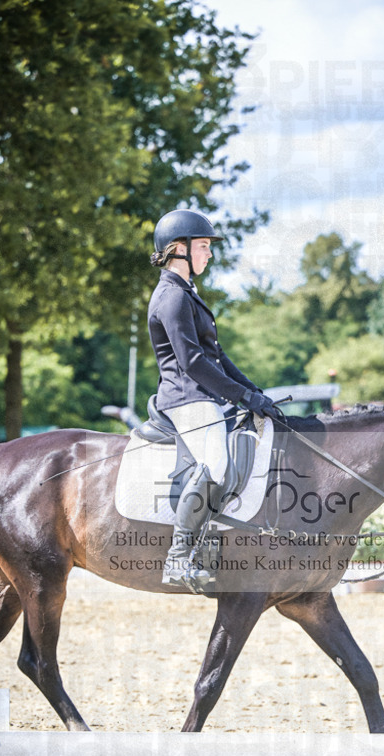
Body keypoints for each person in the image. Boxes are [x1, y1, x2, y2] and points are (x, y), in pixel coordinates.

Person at [147, 208, 283, 588]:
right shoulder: (171, 298)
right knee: (216, 464)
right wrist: (241, 396)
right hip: (186, 398)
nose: (209, 254)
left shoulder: (187, 294)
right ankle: (177, 558)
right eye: (204, 246)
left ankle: (212, 544)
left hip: (204, 395)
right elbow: (192, 362)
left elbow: (218, 358)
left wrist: (254, 393)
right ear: (179, 249)